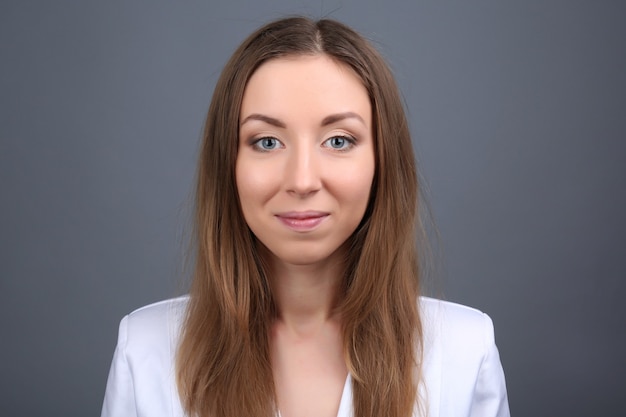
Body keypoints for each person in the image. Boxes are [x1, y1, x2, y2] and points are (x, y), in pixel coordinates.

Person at [101, 16, 509, 417]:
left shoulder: (465, 352)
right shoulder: (145, 350)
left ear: (383, 162)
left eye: (338, 140)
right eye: (267, 141)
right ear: (228, 164)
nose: (302, 180)